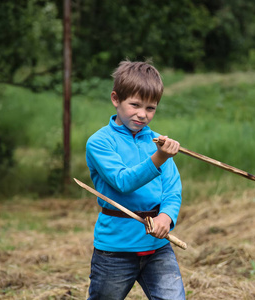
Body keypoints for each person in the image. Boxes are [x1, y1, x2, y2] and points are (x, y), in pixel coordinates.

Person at [85, 60, 185, 300]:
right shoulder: (100, 142)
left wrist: (166, 216)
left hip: (157, 248)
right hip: (115, 250)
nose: (143, 114)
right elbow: (123, 182)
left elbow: (172, 189)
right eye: (135, 105)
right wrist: (159, 157)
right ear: (115, 99)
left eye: (151, 108)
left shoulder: (156, 141)